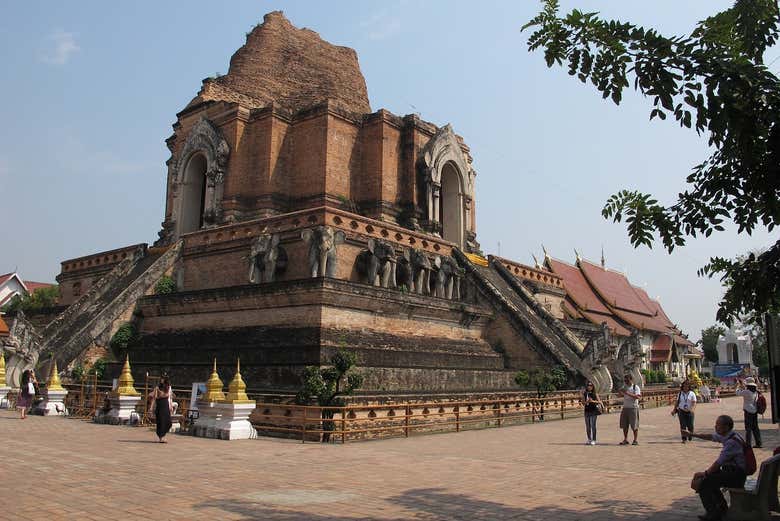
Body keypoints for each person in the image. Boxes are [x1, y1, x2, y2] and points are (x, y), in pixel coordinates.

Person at [684, 415, 748, 521]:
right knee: (712, 478)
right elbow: (710, 436)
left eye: (718, 425)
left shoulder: (731, 442)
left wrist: (704, 473)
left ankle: (713, 514)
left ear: (726, 427)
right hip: (734, 472)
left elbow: (718, 463)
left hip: (737, 476)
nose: (715, 427)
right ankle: (721, 508)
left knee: (705, 482)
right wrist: (692, 434)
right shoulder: (731, 435)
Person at [735, 377, 761, 448]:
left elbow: (737, 393)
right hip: (755, 410)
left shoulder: (747, 392)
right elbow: (744, 389)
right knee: (755, 428)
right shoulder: (756, 392)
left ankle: (748, 444)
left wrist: (738, 385)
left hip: (748, 411)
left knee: (748, 428)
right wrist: (742, 385)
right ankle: (758, 443)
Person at [618, 373, 641, 445]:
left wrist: (627, 393)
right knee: (624, 425)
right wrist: (620, 391)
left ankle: (635, 440)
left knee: (634, 424)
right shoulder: (625, 387)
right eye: (625, 381)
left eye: (627, 380)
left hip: (633, 408)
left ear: (631, 379)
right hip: (625, 407)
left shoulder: (635, 387)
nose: (626, 382)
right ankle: (625, 439)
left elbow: (638, 397)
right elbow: (620, 395)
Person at [150, 376, 174, 443]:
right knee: (161, 421)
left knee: (168, 422)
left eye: (162, 379)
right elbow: (154, 398)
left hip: (166, 405)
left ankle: (163, 435)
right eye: (161, 379)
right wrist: (151, 407)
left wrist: (171, 406)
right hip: (160, 405)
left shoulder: (168, 387)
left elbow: (170, 398)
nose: (161, 380)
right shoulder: (157, 388)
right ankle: (161, 437)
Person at [581, 380, 603, 445]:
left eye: (590, 385)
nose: (589, 386)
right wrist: (587, 402)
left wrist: (593, 401)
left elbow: (600, 402)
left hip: (593, 411)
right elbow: (583, 403)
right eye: (588, 385)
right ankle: (589, 439)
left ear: (593, 386)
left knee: (593, 426)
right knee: (588, 426)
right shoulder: (585, 394)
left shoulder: (595, 394)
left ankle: (594, 439)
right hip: (587, 411)